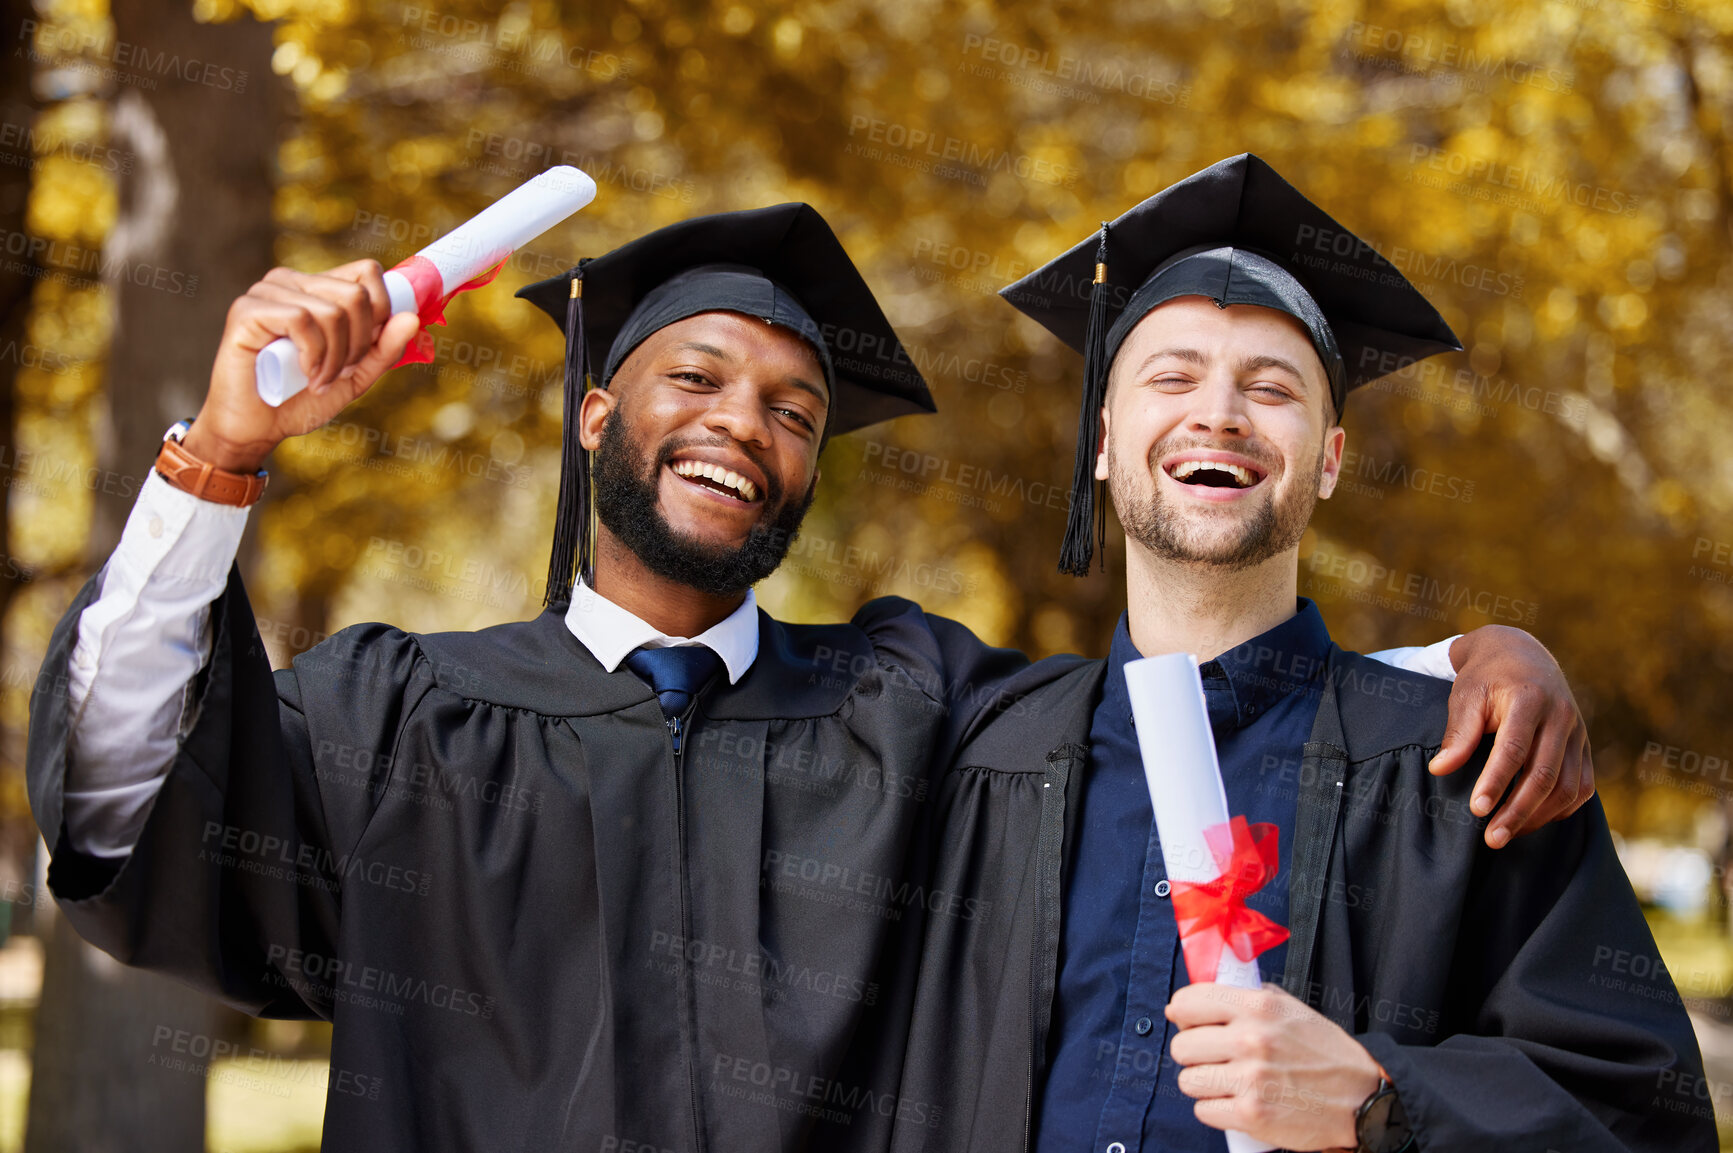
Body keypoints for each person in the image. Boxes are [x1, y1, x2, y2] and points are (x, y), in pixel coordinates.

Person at [29, 199, 1589, 1153]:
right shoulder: (396, 713)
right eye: (693, 377)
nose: (742, 424)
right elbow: (122, 808)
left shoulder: (904, 705)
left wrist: (1469, 655)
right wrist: (223, 453)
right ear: (593, 414)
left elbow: (1186, 705)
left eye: (790, 405)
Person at [895, 154, 1712, 1153]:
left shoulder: (1458, 766)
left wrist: (1378, 1101)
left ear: (1327, 460)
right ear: (1102, 439)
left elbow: (1636, 1116)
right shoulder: (981, 753)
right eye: (1172, 375)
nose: (1219, 413)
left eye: (1269, 387)